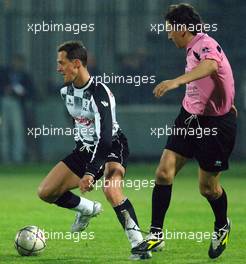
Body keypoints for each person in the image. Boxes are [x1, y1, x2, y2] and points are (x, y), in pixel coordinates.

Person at [132, 3, 237, 259]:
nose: (168, 35)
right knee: (163, 173)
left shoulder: (204, 42)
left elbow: (211, 66)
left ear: (182, 28)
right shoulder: (191, 49)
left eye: (170, 29)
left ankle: (222, 225)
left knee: (208, 189)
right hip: (189, 118)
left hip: (215, 126)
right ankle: (155, 235)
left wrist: (176, 81)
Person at [37, 41, 151, 260]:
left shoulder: (100, 93)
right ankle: (87, 208)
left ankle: (138, 244)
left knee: (111, 189)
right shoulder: (65, 92)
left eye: (62, 63)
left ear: (76, 63)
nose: (58, 68)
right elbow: (78, 123)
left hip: (111, 147)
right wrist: (82, 153)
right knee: (46, 192)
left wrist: (90, 172)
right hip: (84, 150)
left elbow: (106, 137)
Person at [0, 54, 34, 163]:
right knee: (4, 130)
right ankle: (5, 156)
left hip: (17, 103)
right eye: (16, 61)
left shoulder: (25, 76)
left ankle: (17, 157)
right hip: (4, 101)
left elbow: (30, 91)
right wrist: (6, 89)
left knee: (17, 131)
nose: (17, 64)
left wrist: (21, 92)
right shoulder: (5, 73)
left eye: (20, 62)